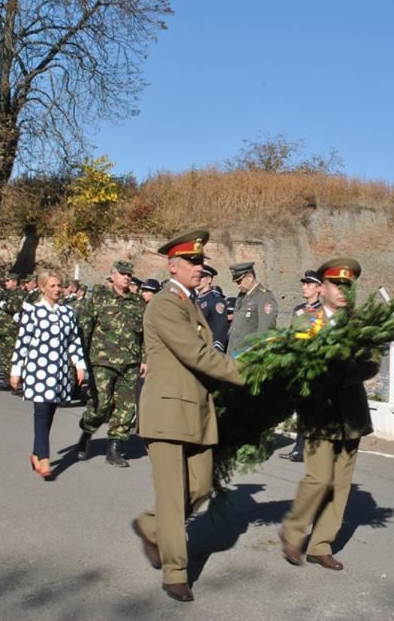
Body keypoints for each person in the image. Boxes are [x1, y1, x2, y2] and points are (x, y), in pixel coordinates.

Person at [131, 230, 244, 603]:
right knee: (172, 496)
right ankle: (175, 571)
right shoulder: (165, 304)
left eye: (201, 261)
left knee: (199, 488)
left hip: (195, 410)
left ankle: (150, 526)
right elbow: (196, 354)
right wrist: (246, 373)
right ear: (173, 266)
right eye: (193, 262)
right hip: (166, 410)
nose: (200, 267)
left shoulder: (191, 303)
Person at [279, 257, 380, 572]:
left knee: (341, 482)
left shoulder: (361, 324)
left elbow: (372, 361)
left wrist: (343, 373)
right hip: (319, 413)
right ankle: (293, 532)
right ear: (322, 287)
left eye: (348, 286)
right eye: (337, 284)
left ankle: (321, 545)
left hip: (351, 414)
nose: (342, 291)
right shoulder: (305, 322)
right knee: (319, 477)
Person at [9, 271, 87, 479]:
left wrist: (79, 365)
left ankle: (36, 452)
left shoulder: (67, 313)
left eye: (59, 285)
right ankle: (44, 457)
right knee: (41, 412)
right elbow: (22, 342)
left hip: (60, 371)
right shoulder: (33, 311)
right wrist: (16, 371)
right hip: (38, 370)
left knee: (50, 412)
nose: (57, 289)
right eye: (52, 286)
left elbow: (74, 341)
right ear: (42, 288)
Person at [75, 260, 145, 466]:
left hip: (130, 363)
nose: (127, 277)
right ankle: (87, 432)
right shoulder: (98, 298)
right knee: (101, 404)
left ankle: (114, 448)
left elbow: (145, 335)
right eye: (123, 274)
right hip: (102, 361)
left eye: (129, 275)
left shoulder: (138, 302)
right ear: (112, 275)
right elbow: (85, 329)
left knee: (126, 407)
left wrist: (145, 359)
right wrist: (81, 360)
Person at [280, 269, 324, 462]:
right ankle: (299, 447)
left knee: (313, 409)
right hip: (298, 365)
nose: (304, 287)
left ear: (319, 288)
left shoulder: (323, 311)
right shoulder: (298, 309)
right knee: (301, 408)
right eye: (304, 283)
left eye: (308, 284)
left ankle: (309, 448)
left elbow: (317, 338)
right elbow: (291, 335)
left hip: (313, 365)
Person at [226, 261, 278, 355]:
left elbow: (265, 332)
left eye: (239, 281)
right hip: (234, 354)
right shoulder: (242, 296)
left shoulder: (264, 297)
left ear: (250, 277)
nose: (238, 285)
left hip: (248, 356)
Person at [195, 264, 229, 352]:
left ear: (209, 280)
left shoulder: (216, 301)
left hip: (208, 348)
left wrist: (216, 350)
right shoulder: (195, 299)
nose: (197, 280)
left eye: (201, 277)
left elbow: (220, 328)